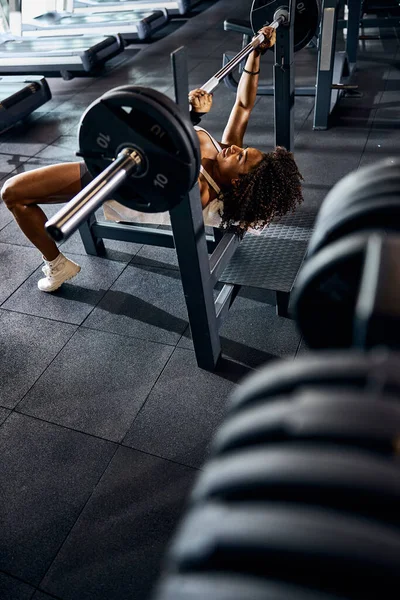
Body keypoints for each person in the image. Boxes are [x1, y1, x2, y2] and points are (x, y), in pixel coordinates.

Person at [1, 26, 303, 293]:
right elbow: (243, 104)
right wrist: (257, 52)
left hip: (118, 179)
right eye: (244, 148)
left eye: (240, 157)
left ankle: (56, 263)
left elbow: (160, 154)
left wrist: (192, 116)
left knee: (13, 193)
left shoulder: (200, 189)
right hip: (122, 158)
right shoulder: (225, 153)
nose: (236, 149)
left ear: (236, 180)